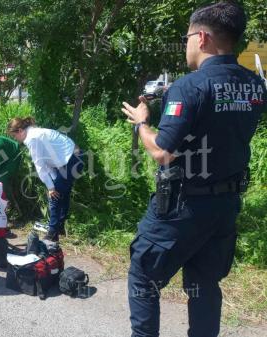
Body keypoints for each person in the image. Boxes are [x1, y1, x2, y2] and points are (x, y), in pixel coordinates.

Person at [121, 3, 266, 337]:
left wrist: (143, 123)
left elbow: (162, 152)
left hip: (182, 207)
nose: (185, 44)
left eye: (186, 37)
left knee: (143, 276)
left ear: (201, 37)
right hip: (225, 207)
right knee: (204, 283)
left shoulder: (189, 86)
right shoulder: (255, 86)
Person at [7, 117, 83, 242]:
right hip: (72, 158)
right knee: (62, 193)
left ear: (20, 130)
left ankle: (52, 234)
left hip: (72, 159)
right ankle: (59, 227)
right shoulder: (35, 133)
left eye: (14, 136)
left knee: (54, 196)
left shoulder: (33, 138)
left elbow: (40, 165)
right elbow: (48, 163)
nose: (15, 139)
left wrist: (51, 187)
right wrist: (53, 184)